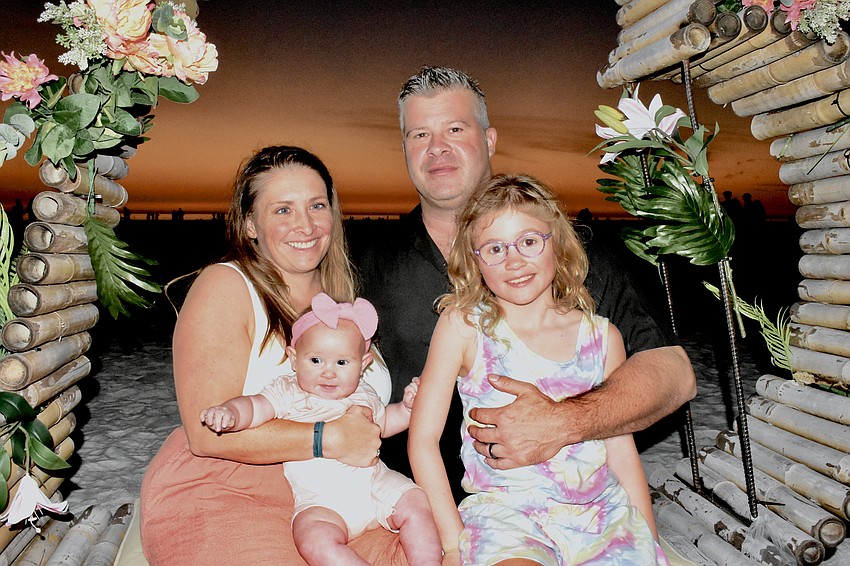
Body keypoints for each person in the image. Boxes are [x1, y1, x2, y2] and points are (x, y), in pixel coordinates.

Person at [351, 66, 697, 501]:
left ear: (490, 139)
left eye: (455, 129)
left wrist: (563, 422)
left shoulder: (570, 250)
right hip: (413, 514)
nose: (436, 148)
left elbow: (674, 374)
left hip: (572, 505)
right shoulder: (362, 264)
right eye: (419, 135)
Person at [140, 146, 407, 564]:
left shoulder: (344, 304)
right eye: (283, 210)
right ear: (250, 224)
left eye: (317, 205)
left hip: (344, 499)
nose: (305, 224)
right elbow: (205, 431)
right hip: (229, 488)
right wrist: (328, 438)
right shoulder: (227, 286)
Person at [409, 174, 668, 565]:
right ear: (474, 260)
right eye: (494, 248)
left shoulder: (602, 337)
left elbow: (620, 448)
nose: (514, 261)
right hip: (506, 515)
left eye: (529, 241)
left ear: (558, 244)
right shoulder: (463, 327)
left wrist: (650, 542)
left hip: (601, 515)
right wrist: (451, 544)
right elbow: (423, 440)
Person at [199, 293, 441, 566]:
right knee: (312, 539)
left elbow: (384, 424)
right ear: (294, 358)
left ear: (363, 365)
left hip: (376, 486)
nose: (328, 373)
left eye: (341, 363)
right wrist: (231, 412)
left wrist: (409, 409)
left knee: (416, 501)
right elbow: (255, 408)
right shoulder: (287, 391)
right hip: (322, 502)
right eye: (316, 361)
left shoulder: (364, 393)